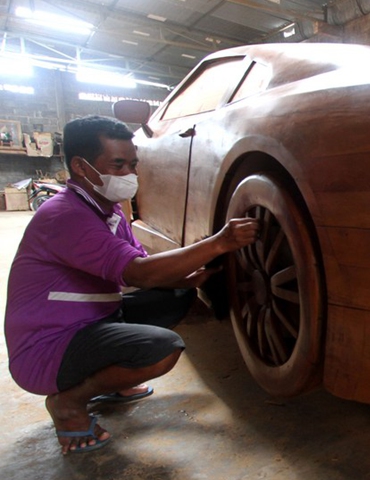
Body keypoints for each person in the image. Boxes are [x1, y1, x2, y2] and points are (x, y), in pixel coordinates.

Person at [4, 115, 259, 455]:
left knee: (178, 293)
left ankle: (111, 379)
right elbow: (140, 274)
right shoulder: (65, 215)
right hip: (49, 345)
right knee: (162, 350)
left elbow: (144, 266)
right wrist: (219, 242)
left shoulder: (108, 212)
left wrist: (187, 276)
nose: (129, 175)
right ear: (80, 167)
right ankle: (69, 402)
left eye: (133, 165)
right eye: (118, 165)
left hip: (92, 318)